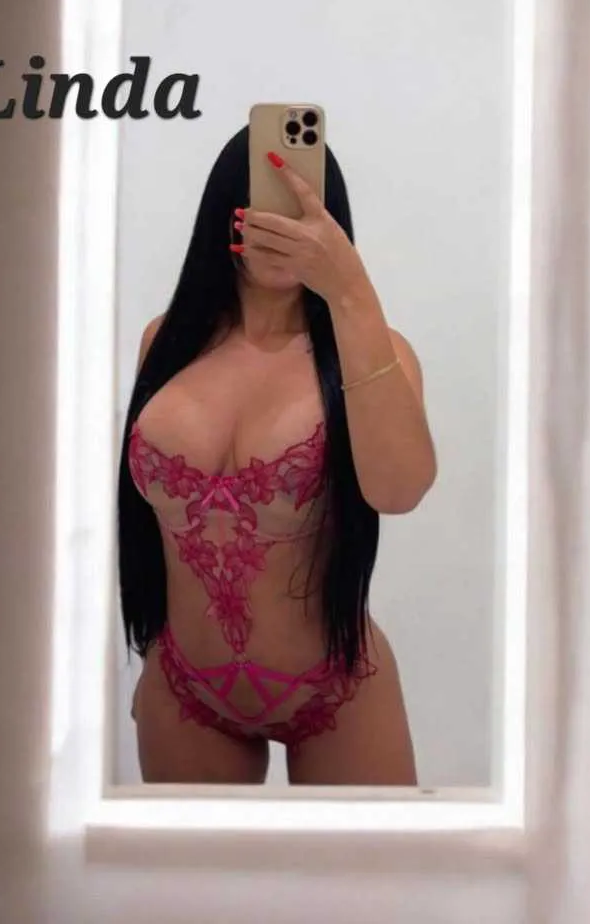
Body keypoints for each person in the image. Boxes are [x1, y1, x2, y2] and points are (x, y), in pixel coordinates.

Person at [117, 125, 437, 785]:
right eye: (263, 206)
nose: (280, 229)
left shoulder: (375, 354)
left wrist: (349, 291)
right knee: (191, 861)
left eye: (303, 213)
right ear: (225, 215)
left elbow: (399, 491)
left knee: (372, 860)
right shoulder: (166, 343)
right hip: (184, 686)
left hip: (336, 687)